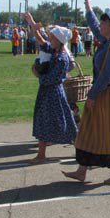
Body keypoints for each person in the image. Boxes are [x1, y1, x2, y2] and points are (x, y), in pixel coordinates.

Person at [63, 0, 110, 183]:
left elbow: (107, 76)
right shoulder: (106, 41)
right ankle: (81, 171)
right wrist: (88, 8)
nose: (100, 24)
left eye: (104, 21)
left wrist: (91, 95)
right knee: (89, 129)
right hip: (101, 93)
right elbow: (93, 26)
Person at [25, 13, 78, 163]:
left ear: (59, 40)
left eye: (53, 37)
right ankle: (41, 155)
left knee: (65, 123)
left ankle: (82, 149)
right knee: (43, 121)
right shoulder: (53, 50)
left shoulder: (62, 58)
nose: (50, 39)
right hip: (46, 92)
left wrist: (38, 74)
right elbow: (40, 40)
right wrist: (32, 23)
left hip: (54, 93)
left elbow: (51, 79)